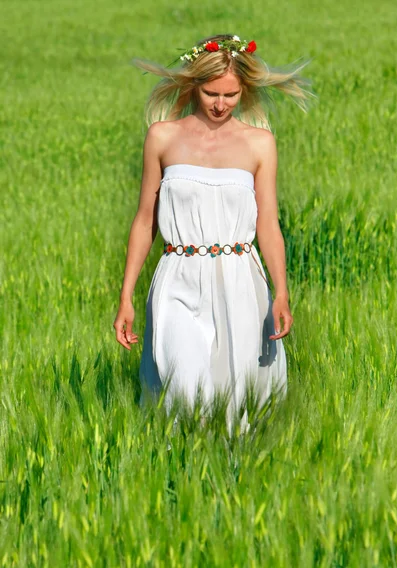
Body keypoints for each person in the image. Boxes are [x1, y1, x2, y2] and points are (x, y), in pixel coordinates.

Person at [113, 34, 314, 433]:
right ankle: (174, 471)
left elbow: (268, 223)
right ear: (193, 86)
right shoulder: (162, 137)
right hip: (177, 277)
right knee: (182, 387)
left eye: (231, 95)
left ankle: (227, 478)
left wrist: (282, 291)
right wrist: (126, 296)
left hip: (240, 278)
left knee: (234, 394)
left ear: (244, 91)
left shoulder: (260, 143)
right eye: (210, 93)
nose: (221, 104)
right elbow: (144, 220)